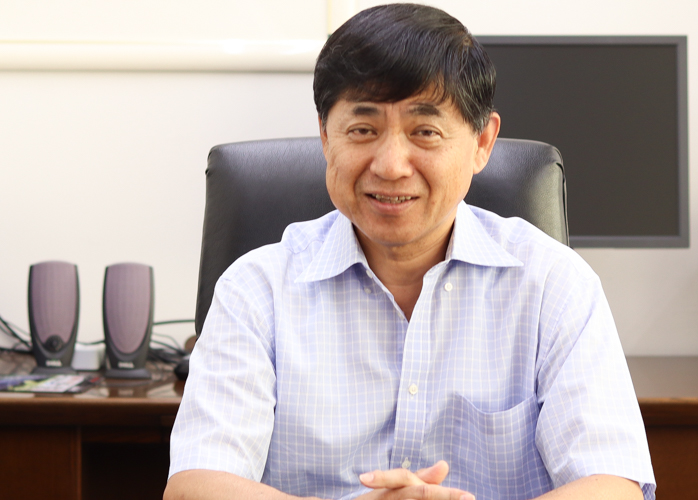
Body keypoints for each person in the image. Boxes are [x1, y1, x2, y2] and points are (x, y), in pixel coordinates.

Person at [164, 4, 656, 500]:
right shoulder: (256, 290)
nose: (391, 165)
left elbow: (613, 485)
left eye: (425, 132)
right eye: (363, 130)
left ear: (482, 142)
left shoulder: (553, 284)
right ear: (326, 138)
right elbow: (194, 486)